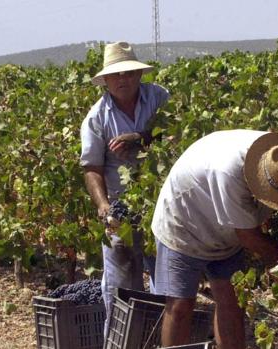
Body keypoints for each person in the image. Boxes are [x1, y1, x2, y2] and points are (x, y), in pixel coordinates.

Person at [150, 130, 278, 349]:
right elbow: (249, 237)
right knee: (180, 306)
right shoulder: (229, 173)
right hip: (183, 224)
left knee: (232, 302)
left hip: (227, 230)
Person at [79, 41, 169, 334]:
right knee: (121, 289)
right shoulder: (96, 117)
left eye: (129, 72)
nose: (123, 79)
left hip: (161, 202)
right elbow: (91, 168)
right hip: (121, 208)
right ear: (105, 80)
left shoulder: (159, 97)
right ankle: (122, 339)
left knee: (165, 279)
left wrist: (139, 138)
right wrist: (104, 207)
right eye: (116, 75)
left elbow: (175, 133)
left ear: (139, 75)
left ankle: (159, 337)